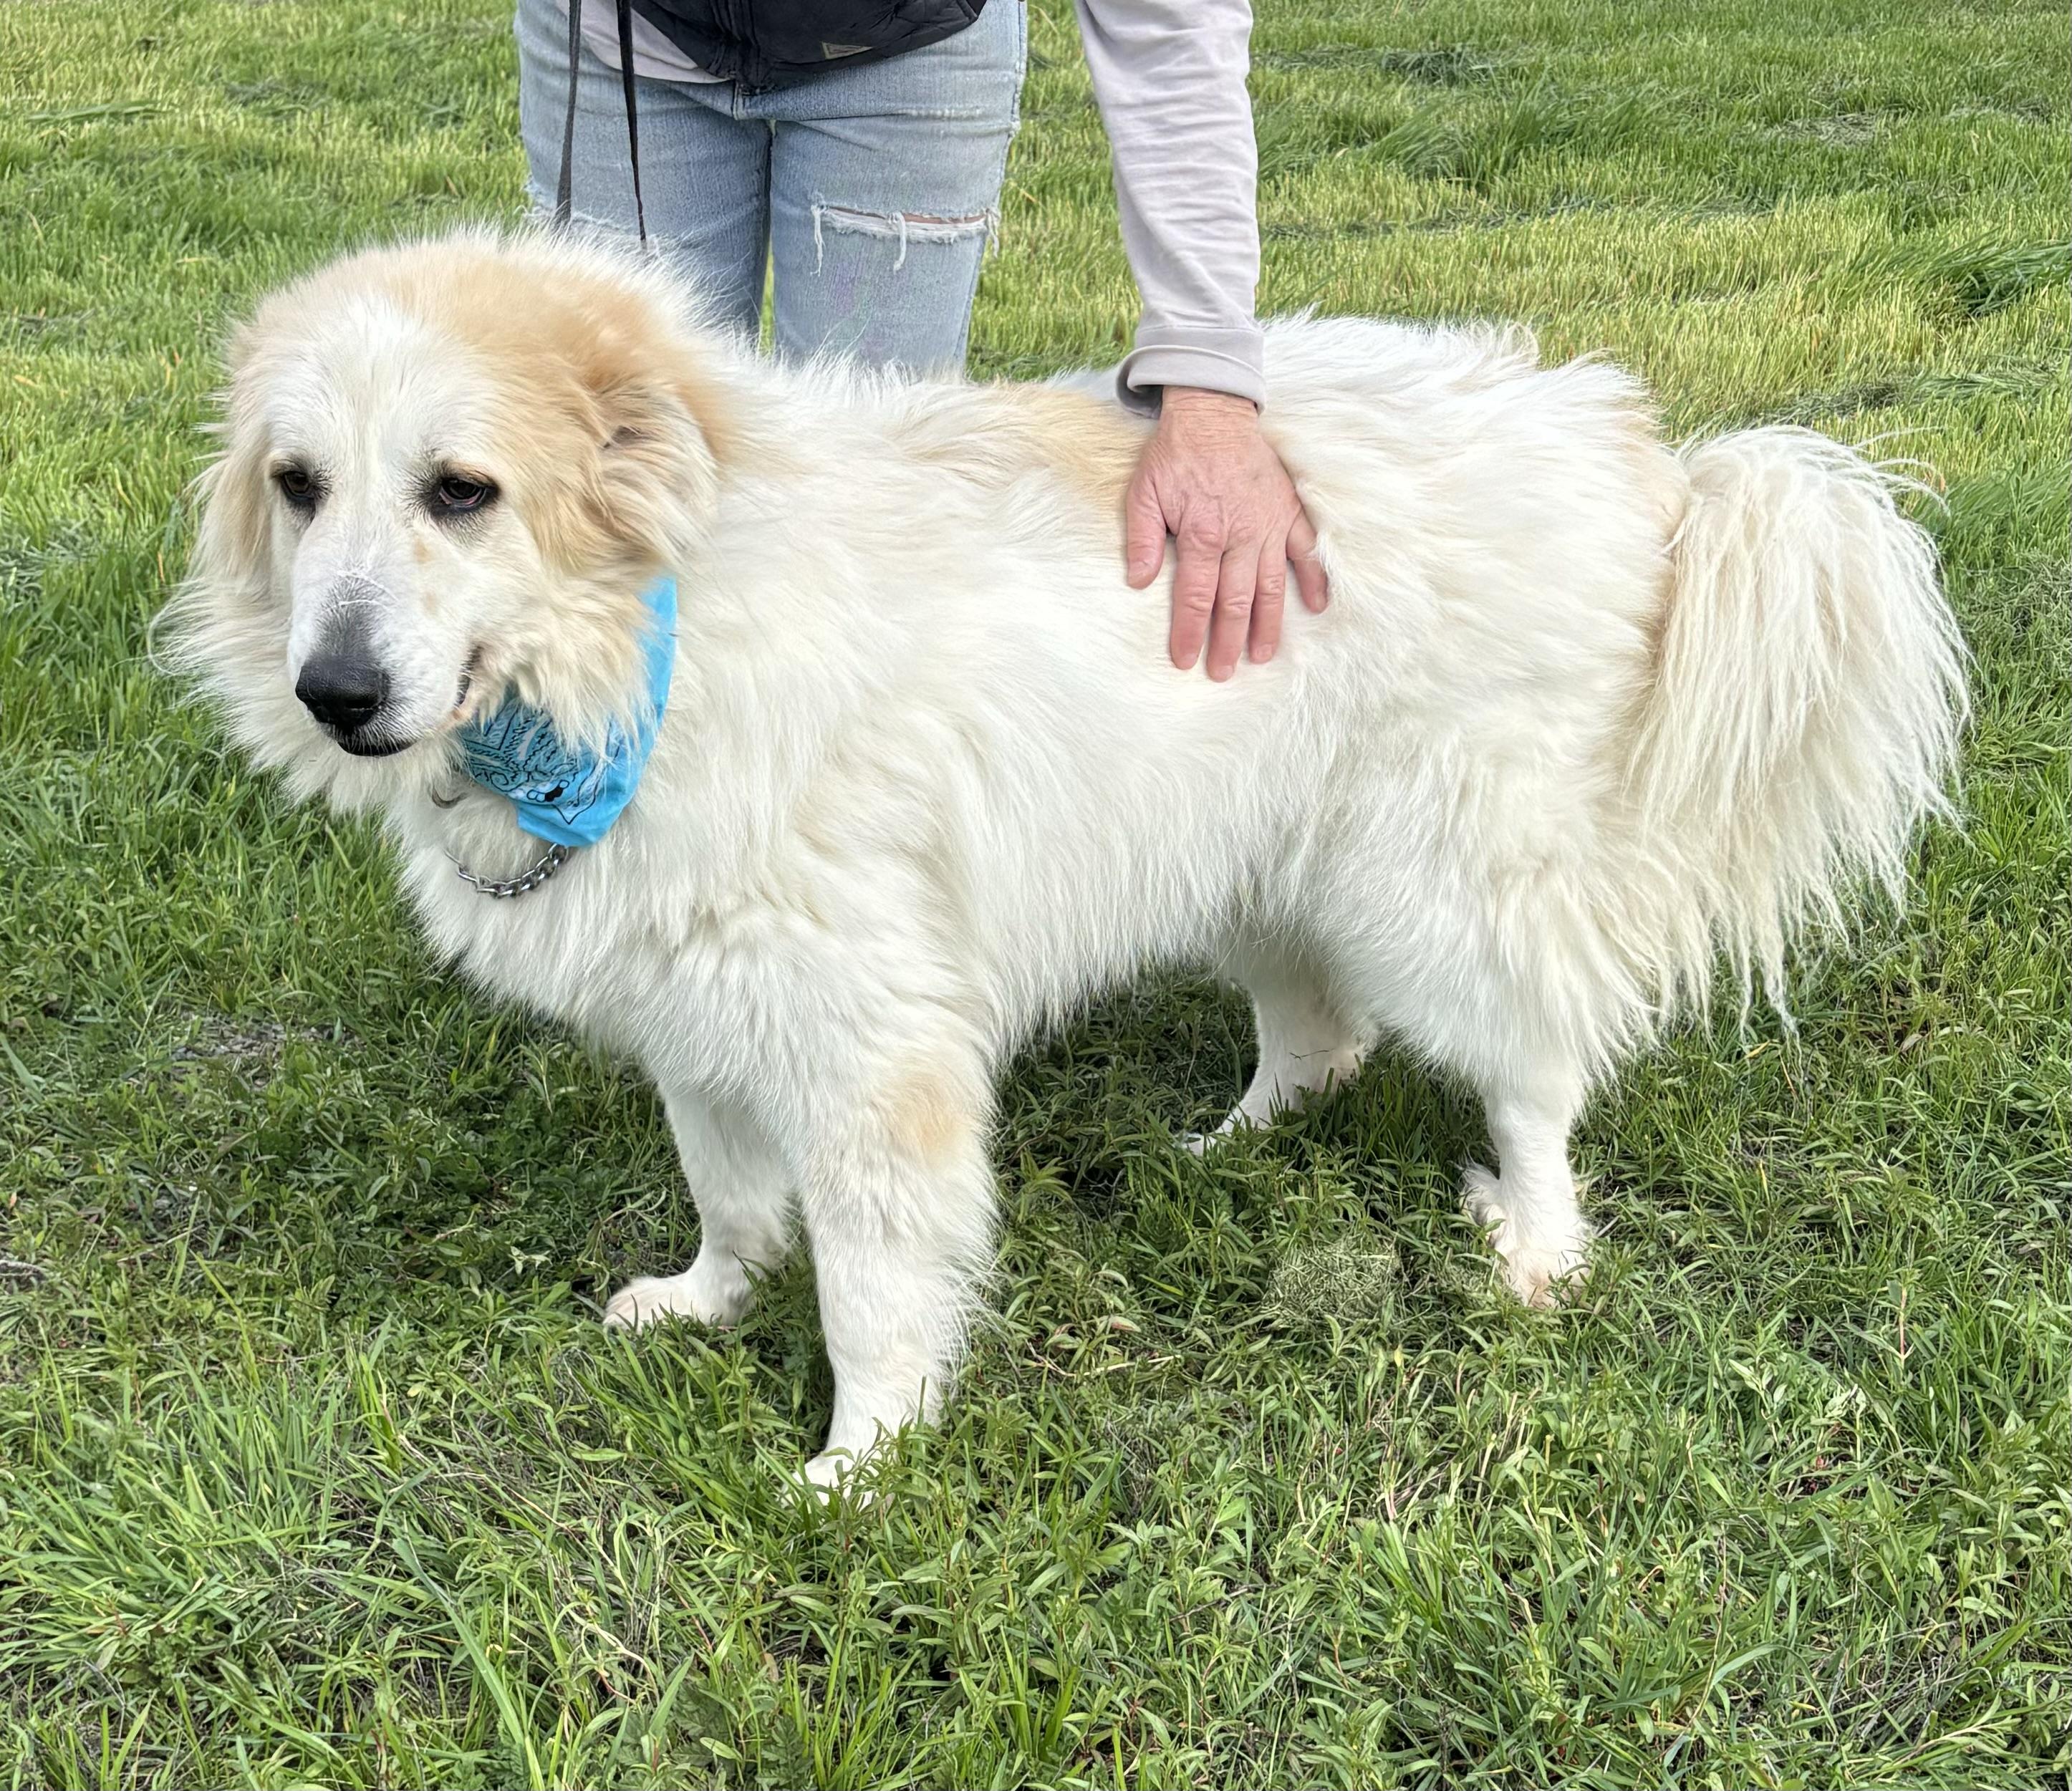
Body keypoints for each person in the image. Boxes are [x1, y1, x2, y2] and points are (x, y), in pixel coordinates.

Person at [516, 0, 1328, 680]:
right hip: (616, 33)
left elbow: (1169, 24)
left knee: (865, 548)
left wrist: (1209, 378)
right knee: (600, 494)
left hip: (905, 43)